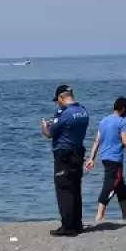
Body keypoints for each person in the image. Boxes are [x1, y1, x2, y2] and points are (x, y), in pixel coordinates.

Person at [85, 97, 126, 222]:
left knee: (120, 186)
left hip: (105, 158)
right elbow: (125, 141)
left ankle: (125, 215)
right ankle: (99, 215)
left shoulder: (104, 121)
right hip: (115, 159)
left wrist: (91, 158)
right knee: (110, 186)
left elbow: (97, 141)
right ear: (123, 109)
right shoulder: (122, 122)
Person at [41, 84, 90, 236]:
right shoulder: (83, 111)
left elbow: (49, 133)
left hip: (64, 155)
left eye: (58, 100)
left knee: (64, 189)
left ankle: (68, 226)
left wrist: (44, 126)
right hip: (78, 153)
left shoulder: (65, 114)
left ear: (62, 98)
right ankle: (77, 223)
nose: (58, 103)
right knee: (75, 189)